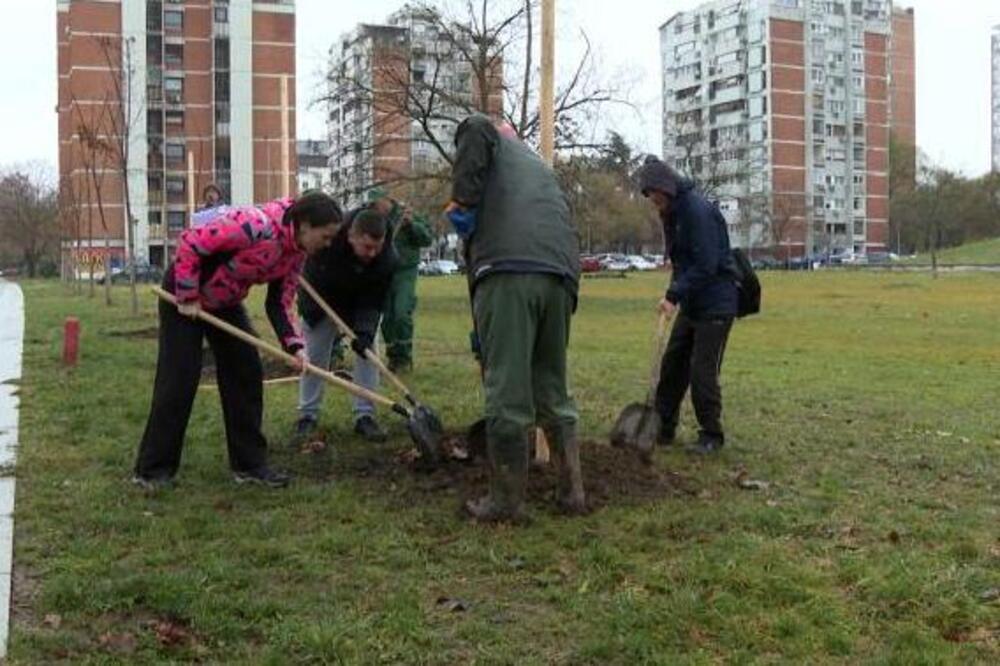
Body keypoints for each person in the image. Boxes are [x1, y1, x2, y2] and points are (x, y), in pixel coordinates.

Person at [133, 191, 343, 489]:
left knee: (246, 371)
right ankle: (152, 470)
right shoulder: (254, 226)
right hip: (183, 293)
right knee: (179, 377)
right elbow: (191, 243)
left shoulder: (296, 252)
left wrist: (295, 345)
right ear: (305, 225)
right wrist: (188, 294)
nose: (328, 244)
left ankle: (249, 465)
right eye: (326, 236)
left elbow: (280, 303)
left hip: (224, 300)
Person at [446, 114, 585, 522]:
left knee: (507, 390)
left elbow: (474, 129)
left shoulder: (482, 132)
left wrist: (464, 204)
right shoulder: (537, 166)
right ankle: (571, 491)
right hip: (559, 276)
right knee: (551, 385)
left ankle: (506, 501)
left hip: (509, 271)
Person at [637, 155, 738, 455]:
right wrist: (674, 294)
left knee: (701, 372)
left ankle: (711, 435)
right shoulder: (674, 213)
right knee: (673, 365)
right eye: (648, 196)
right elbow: (683, 263)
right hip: (694, 303)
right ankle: (664, 427)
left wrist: (674, 294)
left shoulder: (696, 211)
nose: (652, 201)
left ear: (665, 188)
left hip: (717, 303)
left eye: (653, 194)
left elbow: (706, 263)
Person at [294, 209, 397, 444]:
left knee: (368, 353)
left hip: (358, 304)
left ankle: (365, 416)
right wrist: (313, 310)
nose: (372, 253)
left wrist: (364, 331)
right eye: (366, 247)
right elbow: (310, 271)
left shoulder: (387, 259)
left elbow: (374, 300)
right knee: (314, 356)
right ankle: (307, 415)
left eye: (376, 247)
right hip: (320, 298)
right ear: (351, 236)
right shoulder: (328, 238)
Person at [370, 193, 434, 374]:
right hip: (385, 272)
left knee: (401, 313)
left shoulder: (406, 214)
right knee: (387, 318)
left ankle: (404, 357)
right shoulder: (376, 219)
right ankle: (393, 357)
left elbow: (427, 238)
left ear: (386, 200)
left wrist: (411, 225)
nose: (376, 209)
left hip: (405, 271)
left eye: (377, 204)